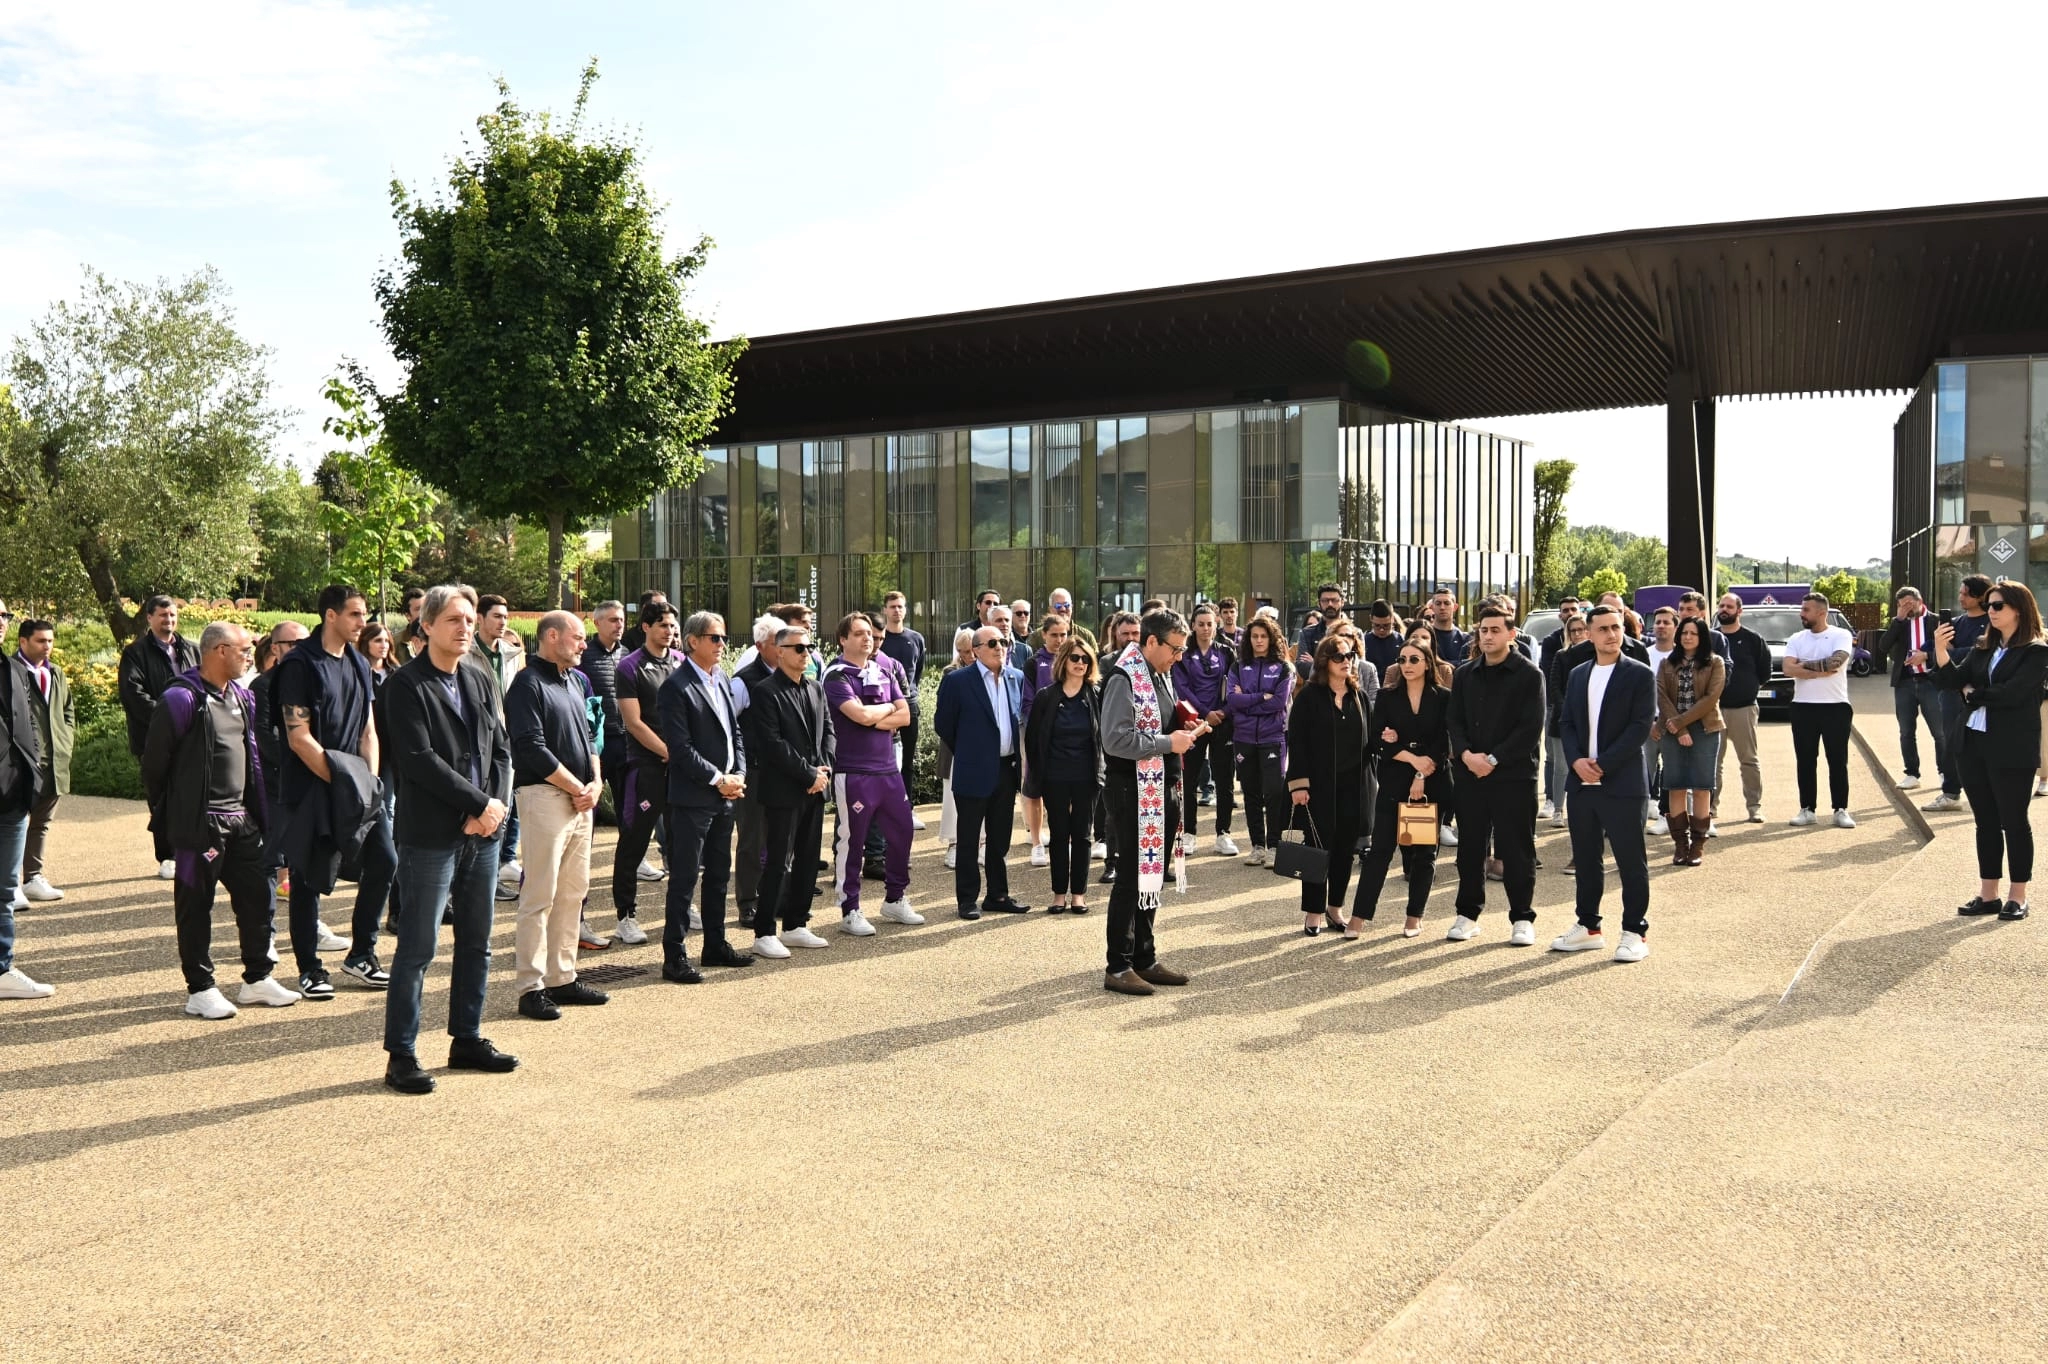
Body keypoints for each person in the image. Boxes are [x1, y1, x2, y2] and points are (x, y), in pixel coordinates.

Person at [380, 584, 519, 1094]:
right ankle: (401, 1054)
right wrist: (477, 805)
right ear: (427, 627)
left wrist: (493, 808)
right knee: (418, 948)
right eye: (454, 620)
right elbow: (418, 762)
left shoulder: (480, 678)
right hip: (431, 838)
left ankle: (466, 1038)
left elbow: (500, 749)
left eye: (469, 619)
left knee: (478, 942)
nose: (465, 628)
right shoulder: (405, 686)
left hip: (481, 836)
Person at [141, 621, 302, 1017]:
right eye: (245, 649)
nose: (251, 655)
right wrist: (175, 817)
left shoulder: (242, 697)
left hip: (242, 819)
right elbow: (154, 767)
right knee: (196, 905)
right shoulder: (182, 699)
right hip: (201, 824)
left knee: (258, 897)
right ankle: (200, 988)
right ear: (219, 651)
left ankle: (257, 979)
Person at [274, 584, 391, 998]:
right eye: (356, 615)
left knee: (385, 861)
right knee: (307, 877)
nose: (363, 623)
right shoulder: (300, 666)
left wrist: (368, 785)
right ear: (330, 616)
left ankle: (362, 954)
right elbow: (298, 737)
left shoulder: (359, 665)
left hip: (356, 788)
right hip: (311, 788)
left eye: (363, 615)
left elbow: (368, 730)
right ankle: (310, 969)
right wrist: (342, 781)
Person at [504, 611, 607, 1021]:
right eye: (578, 637)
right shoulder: (527, 684)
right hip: (545, 797)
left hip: (581, 799)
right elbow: (529, 746)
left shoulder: (574, 682)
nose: (585, 644)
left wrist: (595, 784)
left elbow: (589, 737)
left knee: (572, 893)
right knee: (540, 895)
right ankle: (531, 986)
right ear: (552, 636)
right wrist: (575, 787)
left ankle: (562, 977)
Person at [1933, 580, 2048, 921]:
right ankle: (1988, 895)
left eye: (1998, 606)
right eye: (1990, 606)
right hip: (1972, 744)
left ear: (2018, 609)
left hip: (2012, 747)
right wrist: (1941, 651)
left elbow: (2013, 695)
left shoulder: (2037, 651)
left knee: (2014, 821)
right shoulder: (1983, 646)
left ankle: (2018, 895)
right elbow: (1950, 681)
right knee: (1984, 821)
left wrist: (1973, 692)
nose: (1991, 612)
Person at [1099, 609, 1200, 995]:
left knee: (1152, 874)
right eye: (1174, 648)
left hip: (1161, 785)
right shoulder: (1124, 676)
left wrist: (1180, 729)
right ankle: (1118, 964)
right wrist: (1167, 743)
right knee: (1131, 876)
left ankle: (1145, 957)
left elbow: (1155, 723)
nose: (1179, 657)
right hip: (1131, 789)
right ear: (1151, 641)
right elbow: (1116, 739)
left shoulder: (1160, 671)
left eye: (1182, 650)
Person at [1553, 604, 1654, 962]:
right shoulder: (1579, 673)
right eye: (1604, 629)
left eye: (1616, 627)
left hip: (1623, 782)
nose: (1612, 635)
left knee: (1630, 860)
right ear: (1589, 634)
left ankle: (1634, 932)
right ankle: (1588, 927)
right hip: (1582, 783)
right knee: (1586, 857)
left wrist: (1602, 765)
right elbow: (1565, 722)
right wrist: (1578, 761)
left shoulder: (1640, 674)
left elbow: (1640, 727)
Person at [657, 611, 755, 980]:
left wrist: (739, 774)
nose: (722, 645)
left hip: (726, 794)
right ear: (693, 641)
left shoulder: (722, 679)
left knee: (718, 874)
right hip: (693, 797)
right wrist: (718, 779)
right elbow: (679, 749)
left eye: (724, 638)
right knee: (684, 878)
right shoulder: (676, 687)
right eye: (715, 638)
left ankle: (715, 944)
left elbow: (736, 735)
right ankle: (675, 955)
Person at [1442, 603, 1544, 945]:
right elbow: (1453, 721)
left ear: (1511, 634)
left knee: (1516, 849)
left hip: (1513, 776)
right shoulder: (1465, 674)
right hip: (1470, 775)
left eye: (1495, 630)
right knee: (1470, 848)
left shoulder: (1530, 675)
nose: (1487, 636)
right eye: (1483, 630)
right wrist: (1468, 756)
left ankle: (1522, 918)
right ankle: (1467, 914)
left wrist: (1494, 760)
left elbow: (1530, 729)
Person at [1345, 635, 1453, 937]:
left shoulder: (1443, 696)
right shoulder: (1389, 696)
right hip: (1395, 780)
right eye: (1402, 659)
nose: (1406, 665)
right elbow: (1378, 739)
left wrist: (1421, 773)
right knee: (1380, 849)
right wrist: (1411, 758)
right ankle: (1359, 917)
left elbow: (1444, 740)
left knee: (1423, 852)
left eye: (1414, 659)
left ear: (1427, 662)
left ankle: (1414, 916)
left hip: (1431, 781)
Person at [823, 611, 922, 935]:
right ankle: (849, 908)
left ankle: (895, 898)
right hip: (854, 772)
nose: (867, 638)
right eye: (858, 634)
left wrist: (875, 716)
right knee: (853, 841)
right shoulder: (836, 675)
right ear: (843, 639)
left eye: (869, 633)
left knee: (903, 832)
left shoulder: (884, 669)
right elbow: (860, 714)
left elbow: (905, 715)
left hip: (887, 770)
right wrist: (883, 711)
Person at [742, 622, 837, 957]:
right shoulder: (766, 691)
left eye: (808, 647)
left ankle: (796, 925)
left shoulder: (815, 688)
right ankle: (764, 930)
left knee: (809, 859)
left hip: (816, 786)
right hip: (784, 789)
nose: (805, 653)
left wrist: (824, 768)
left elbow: (828, 730)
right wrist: (807, 773)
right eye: (798, 648)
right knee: (779, 861)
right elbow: (771, 744)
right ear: (779, 652)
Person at [934, 625, 1027, 919]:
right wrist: (970, 751)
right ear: (975, 650)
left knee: (999, 839)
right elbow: (944, 723)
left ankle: (998, 895)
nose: (1000, 646)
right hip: (973, 768)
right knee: (969, 837)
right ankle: (967, 900)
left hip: (1006, 768)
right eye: (993, 642)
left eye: (1004, 641)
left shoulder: (1017, 677)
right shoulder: (958, 681)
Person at [1286, 633, 1370, 938]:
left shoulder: (1358, 697)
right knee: (1317, 849)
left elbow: (1369, 742)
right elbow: (1297, 742)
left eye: (1349, 656)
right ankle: (1314, 911)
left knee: (1345, 850)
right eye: (1339, 657)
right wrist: (1298, 785)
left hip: (1353, 786)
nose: (1346, 662)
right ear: (1324, 661)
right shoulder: (1309, 697)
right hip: (1317, 786)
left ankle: (1336, 908)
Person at [609, 601, 680, 945]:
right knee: (634, 841)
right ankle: (626, 916)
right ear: (647, 627)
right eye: (663, 625)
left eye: (672, 626)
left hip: (682, 770)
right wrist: (670, 753)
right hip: (646, 768)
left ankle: (682, 907)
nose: (669, 631)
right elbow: (634, 723)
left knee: (683, 843)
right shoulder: (629, 666)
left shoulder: (682, 663)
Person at [119, 594, 201, 879]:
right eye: (163, 615)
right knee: (161, 796)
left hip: (192, 735)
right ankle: (167, 855)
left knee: (192, 794)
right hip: (155, 738)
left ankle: (192, 850)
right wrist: (170, 717)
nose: (169, 620)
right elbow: (133, 694)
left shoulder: (191, 649)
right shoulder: (135, 653)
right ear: (150, 618)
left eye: (173, 615)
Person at [1025, 634, 1103, 914]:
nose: (1080, 663)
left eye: (1086, 659)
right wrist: (1038, 773)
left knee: (1082, 835)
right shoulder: (1047, 696)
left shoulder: (1095, 695)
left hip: (1087, 776)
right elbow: (1032, 739)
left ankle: (1079, 894)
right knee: (1058, 835)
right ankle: (1059, 894)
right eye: (1075, 658)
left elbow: (1104, 736)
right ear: (1064, 661)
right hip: (1055, 776)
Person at [0, 607, 53, 1001]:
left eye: (4, 614)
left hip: (13, 798)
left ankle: (1, 968)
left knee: (3, 891)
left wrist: (33, 773)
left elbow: (28, 727)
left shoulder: (13, 670)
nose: (1, 620)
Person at [470, 595, 528, 897]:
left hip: (509, 740)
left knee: (506, 807)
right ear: (480, 618)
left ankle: (491, 878)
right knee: (480, 806)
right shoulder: (466, 654)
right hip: (477, 741)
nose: (503, 622)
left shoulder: (513, 654)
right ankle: (474, 880)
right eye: (496, 616)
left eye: (505, 616)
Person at [1784, 591, 1857, 829]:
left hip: (1836, 706)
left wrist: (1802, 665)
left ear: (1821, 612)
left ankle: (1840, 809)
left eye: (1806, 610)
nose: (1801, 614)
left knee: (1837, 760)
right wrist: (1818, 669)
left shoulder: (1840, 634)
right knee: (1805, 760)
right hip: (1803, 707)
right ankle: (1807, 809)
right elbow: (1787, 669)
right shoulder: (1796, 638)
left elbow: (1836, 663)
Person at [1658, 617, 1725, 867]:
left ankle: (1697, 846)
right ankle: (1680, 845)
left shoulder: (1715, 662)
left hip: (1705, 729)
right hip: (1673, 729)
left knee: (1701, 787)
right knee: (1675, 786)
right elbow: (1661, 696)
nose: (1687, 637)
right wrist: (1679, 728)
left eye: (1693, 634)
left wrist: (1683, 723)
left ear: (1702, 637)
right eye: (1684, 632)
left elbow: (1711, 698)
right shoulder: (1667, 663)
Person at [12, 620, 71, 904]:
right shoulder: (10, 671)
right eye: (40, 641)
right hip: (20, 763)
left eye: (50, 640)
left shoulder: (56, 673)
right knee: (14, 821)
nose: (47, 646)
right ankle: (9, 882)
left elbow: (67, 712)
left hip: (54, 762)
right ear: (23, 642)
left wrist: (66, 744)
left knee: (41, 822)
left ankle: (33, 878)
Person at [1227, 616, 1293, 867]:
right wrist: (1260, 698)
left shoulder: (1283, 667)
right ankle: (1258, 847)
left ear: (1272, 638)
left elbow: (1278, 702)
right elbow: (1232, 701)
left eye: (1263, 636)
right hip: (1243, 738)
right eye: (1254, 636)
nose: (1258, 641)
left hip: (1272, 737)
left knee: (1274, 793)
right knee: (1251, 793)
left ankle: (1274, 846)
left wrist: (1248, 701)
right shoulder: (1238, 666)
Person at [1173, 604, 1239, 858]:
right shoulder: (1184, 654)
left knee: (1224, 780)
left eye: (1210, 623)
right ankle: (1189, 833)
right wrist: (1204, 713)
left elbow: (1234, 684)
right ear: (1193, 626)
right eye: (1200, 624)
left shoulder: (1226, 651)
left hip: (1222, 722)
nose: (1205, 628)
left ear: (1217, 624)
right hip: (1193, 724)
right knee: (1189, 781)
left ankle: (1223, 833)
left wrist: (1222, 711)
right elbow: (1182, 687)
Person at [1924, 574, 1991, 812]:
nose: (1960, 596)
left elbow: (1979, 653)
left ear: (1980, 595)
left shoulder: (1991, 623)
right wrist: (1943, 650)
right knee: (1951, 742)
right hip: (1951, 692)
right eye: (1960, 592)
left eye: (1965, 593)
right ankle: (1951, 793)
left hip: (1979, 693)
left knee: (1981, 743)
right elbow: (1933, 651)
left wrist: (1948, 652)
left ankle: (1985, 792)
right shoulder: (1956, 622)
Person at [1018, 613, 1071, 867]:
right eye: (1054, 635)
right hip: (1039, 736)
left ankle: (1066, 838)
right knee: (1034, 788)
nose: (1059, 640)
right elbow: (1027, 703)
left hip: (1068, 737)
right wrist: (1043, 727)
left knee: (1068, 790)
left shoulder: (1076, 659)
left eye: (1063, 634)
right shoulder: (1032, 664)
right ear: (1044, 635)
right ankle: (1037, 843)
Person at [1714, 592, 1772, 824]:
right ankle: (1710, 807)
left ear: (1739, 611)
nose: (1724, 609)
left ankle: (1754, 807)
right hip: (1713, 710)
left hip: (1743, 709)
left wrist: (1745, 689)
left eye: (1729, 606)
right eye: (1721, 605)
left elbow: (1764, 673)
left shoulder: (1753, 639)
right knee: (1712, 762)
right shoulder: (1711, 639)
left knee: (1748, 760)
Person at [1881, 586, 1945, 793]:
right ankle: (1911, 773)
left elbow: (1952, 648)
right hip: (1905, 682)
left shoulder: (1935, 621)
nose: (1906, 608)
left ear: (1920, 601)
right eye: (1901, 605)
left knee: (1940, 731)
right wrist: (1898, 620)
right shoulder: (1898, 623)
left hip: (1931, 682)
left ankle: (1945, 773)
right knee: (1906, 731)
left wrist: (1926, 656)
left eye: (1909, 604)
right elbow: (1883, 647)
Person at [877, 590, 928, 831]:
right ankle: (885, 810)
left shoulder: (916, 638)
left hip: (910, 706)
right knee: (884, 762)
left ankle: (907, 809)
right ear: (885, 610)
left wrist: (908, 701)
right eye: (893, 606)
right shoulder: (879, 639)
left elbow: (916, 673)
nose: (897, 610)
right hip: (882, 709)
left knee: (908, 761)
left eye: (901, 606)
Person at [1542, 616, 1588, 830]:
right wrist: (1570, 713)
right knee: (1561, 767)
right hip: (1563, 720)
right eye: (1573, 631)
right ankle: (1558, 810)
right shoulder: (1562, 655)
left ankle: (1584, 811)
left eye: (1581, 629)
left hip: (1591, 722)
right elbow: (1555, 688)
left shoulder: (1596, 655)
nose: (1577, 634)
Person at [937, 628, 977, 869]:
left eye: (971, 651)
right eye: (963, 652)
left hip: (981, 747)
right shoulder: (950, 673)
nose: (968, 657)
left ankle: (980, 844)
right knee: (952, 796)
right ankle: (954, 844)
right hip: (954, 747)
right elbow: (944, 716)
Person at [1295, 584, 1346, 678]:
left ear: (1342, 602)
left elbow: (1357, 668)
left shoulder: (1354, 633)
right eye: (1325, 601)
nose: (1330, 604)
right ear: (1319, 603)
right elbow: (1303, 669)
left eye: (1334, 600)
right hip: (1316, 690)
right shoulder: (1307, 633)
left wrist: (1315, 662)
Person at [1426, 587, 1470, 665]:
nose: (1442, 607)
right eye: (1438, 603)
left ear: (1455, 607)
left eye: (1447, 603)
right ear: (1432, 607)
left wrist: (1439, 662)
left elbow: (1467, 666)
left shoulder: (1465, 639)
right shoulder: (1425, 634)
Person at [621, 589, 669, 653]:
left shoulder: (670, 635)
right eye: (659, 606)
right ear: (645, 608)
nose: (665, 609)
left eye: (666, 606)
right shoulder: (628, 639)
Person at [398, 586, 427, 659]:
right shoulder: (395, 643)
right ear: (408, 616)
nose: (423, 612)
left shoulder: (439, 638)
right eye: (418, 609)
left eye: (426, 607)